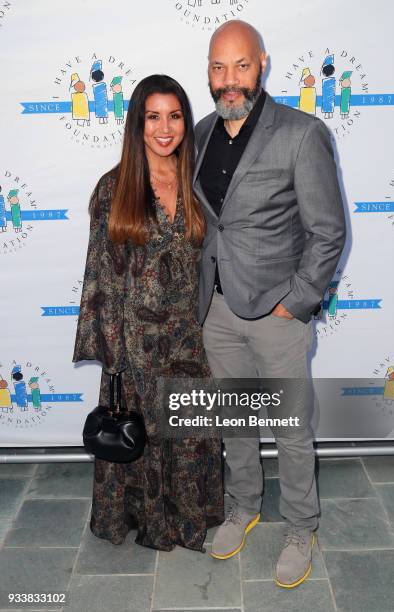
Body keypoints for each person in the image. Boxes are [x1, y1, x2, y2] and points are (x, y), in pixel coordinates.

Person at [194, 21, 346, 587]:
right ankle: (244, 506)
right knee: (234, 419)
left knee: (290, 427)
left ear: (262, 64)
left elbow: (328, 232)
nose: (229, 80)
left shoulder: (302, 133)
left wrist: (296, 305)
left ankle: (301, 525)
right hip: (219, 311)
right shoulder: (204, 131)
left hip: (279, 313)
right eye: (218, 67)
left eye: (240, 66)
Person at [73, 74, 224, 552]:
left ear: (185, 121)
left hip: (189, 337)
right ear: (137, 124)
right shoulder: (113, 187)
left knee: (192, 438)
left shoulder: (196, 179)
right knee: (143, 439)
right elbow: (99, 273)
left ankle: (189, 518)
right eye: (153, 116)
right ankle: (145, 518)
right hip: (135, 344)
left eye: (175, 116)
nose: (165, 128)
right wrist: (113, 354)